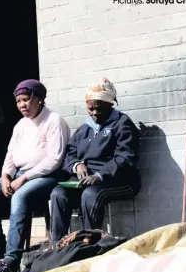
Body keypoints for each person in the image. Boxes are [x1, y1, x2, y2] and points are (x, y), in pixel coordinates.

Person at [0, 79, 70, 272]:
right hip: (19, 174)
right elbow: (11, 153)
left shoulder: (54, 121)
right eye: (18, 101)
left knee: (20, 197)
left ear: (39, 99)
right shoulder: (21, 125)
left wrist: (24, 179)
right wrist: (6, 175)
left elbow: (55, 160)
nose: (22, 105)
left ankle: (12, 259)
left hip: (47, 176)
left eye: (26, 99)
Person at [49, 77, 141, 243]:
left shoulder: (122, 124)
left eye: (98, 109)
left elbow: (125, 158)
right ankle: (58, 245)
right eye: (90, 109)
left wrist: (99, 175)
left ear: (110, 104)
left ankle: (89, 244)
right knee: (58, 193)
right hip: (86, 182)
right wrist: (77, 166)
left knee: (91, 195)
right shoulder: (85, 128)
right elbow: (69, 154)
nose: (94, 113)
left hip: (119, 181)